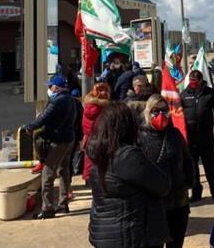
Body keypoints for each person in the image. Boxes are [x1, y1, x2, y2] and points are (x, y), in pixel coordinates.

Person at [87, 102, 170, 247]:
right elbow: (163, 186)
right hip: (130, 236)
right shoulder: (128, 156)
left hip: (104, 234)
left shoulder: (98, 152)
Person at [140, 95, 195, 248]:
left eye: (164, 110)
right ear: (148, 112)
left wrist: (188, 182)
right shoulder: (139, 137)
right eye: (155, 111)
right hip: (154, 206)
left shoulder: (175, 134)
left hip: (178, 202)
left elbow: (188, 160)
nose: (160, 115)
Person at [23, 76, 77, 218]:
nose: (48, 89)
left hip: (58, 141)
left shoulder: (57, 102)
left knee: (47, 174)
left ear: (56, 88)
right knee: (64, 171)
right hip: (69, 138)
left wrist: (29, 127)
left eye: (50, 86)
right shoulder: (71, 100)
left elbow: (43, 119)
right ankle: (63, 204)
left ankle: (48, 209)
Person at [180, 70, 214, 202]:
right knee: (193, 168)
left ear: (200, 81)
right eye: (191, 80)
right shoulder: (184, 95)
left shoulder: (210, 94)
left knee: (210, 167)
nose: (192, 83)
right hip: (190, 139)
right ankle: (196, 193)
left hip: (206, 138)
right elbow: (177, 115)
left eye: (195, 81)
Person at [82, 82, 111, 183]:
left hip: (88, 137)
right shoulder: (103, 109)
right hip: (100, 137)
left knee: (89, 159)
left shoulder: (87, 106)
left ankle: (87, 177)